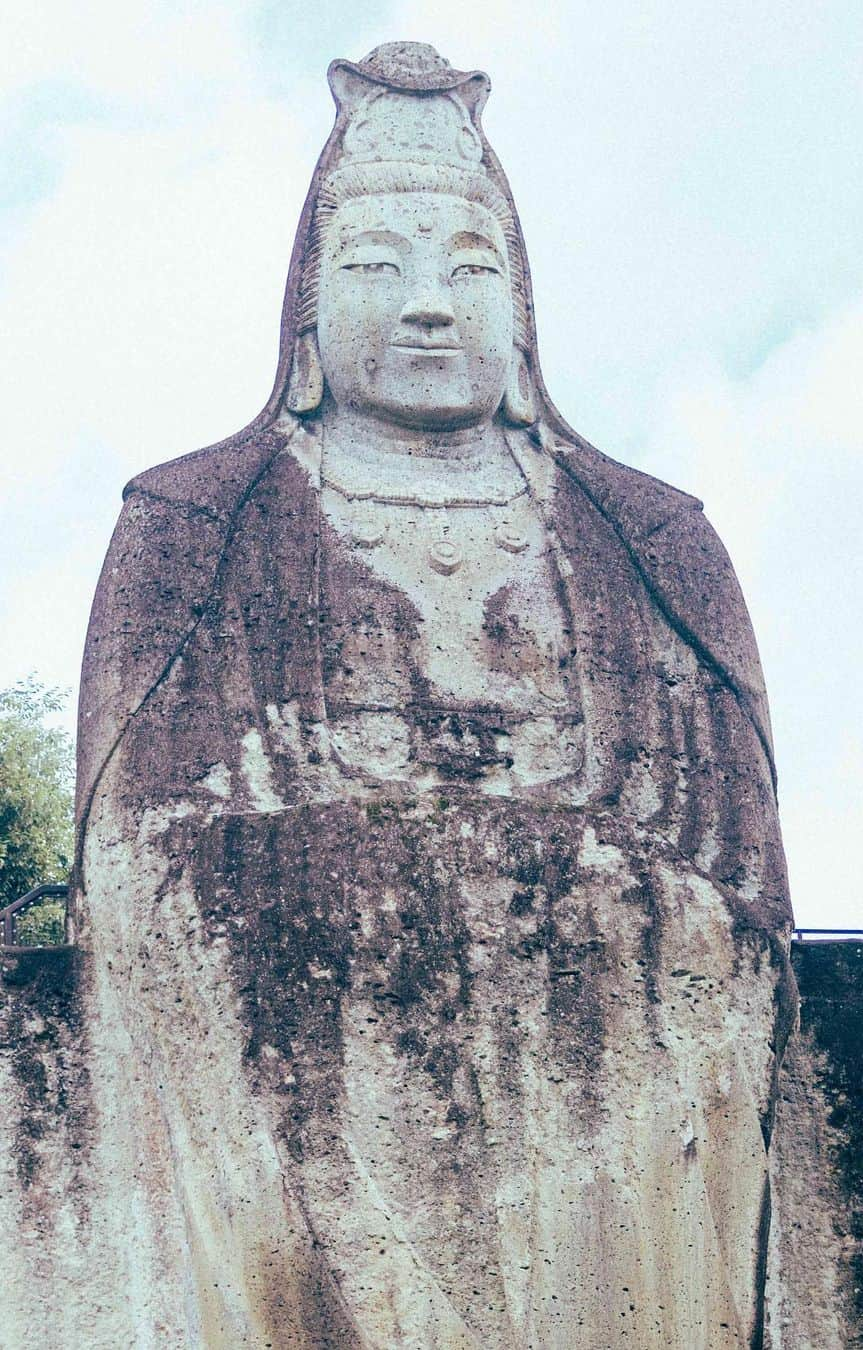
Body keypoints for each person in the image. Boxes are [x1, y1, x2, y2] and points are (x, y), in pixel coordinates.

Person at [68, 42, 794, 1348]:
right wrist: (396, 859)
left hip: (617, 1003)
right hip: (298, 995)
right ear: (304, 305)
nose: (425, 305)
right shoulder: (190, 521)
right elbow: (127, 860)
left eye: (469, 269)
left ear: (522, 304)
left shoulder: (652, 537)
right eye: (375, 267)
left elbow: (743, 884)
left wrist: (584, 887)